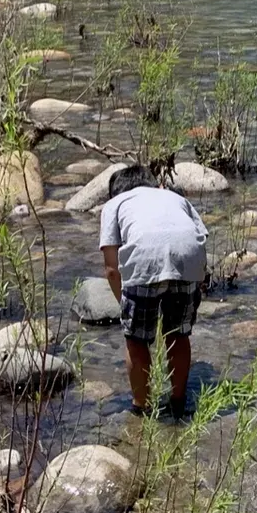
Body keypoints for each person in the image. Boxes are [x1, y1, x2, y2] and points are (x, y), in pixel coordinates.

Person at [98, 165, 209, 415]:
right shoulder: (174, 197)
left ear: (114, 193)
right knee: (178, 335)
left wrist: (123, 303)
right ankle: (178, 402)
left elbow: (112, 269)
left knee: (136, 340)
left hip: (144, 261)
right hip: (188, 260)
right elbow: (200, 237)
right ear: (156, 184)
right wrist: (198, 277)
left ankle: (142, 408)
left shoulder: (114, 204)